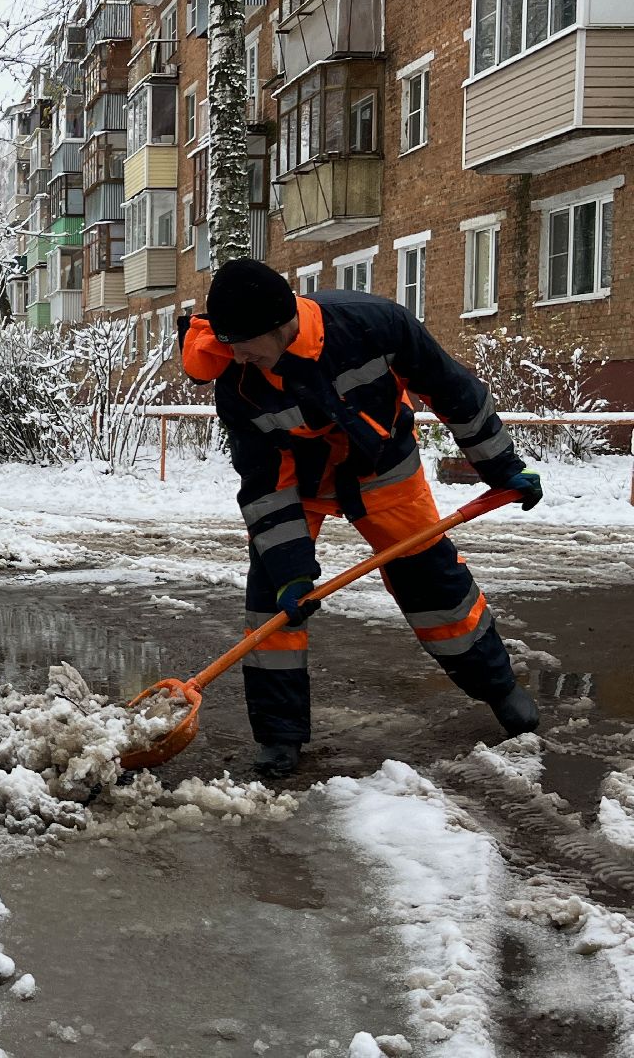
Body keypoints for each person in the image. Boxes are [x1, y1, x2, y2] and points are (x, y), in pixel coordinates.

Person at [181, 258, 542, 778]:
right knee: (272, 605)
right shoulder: (239, 382)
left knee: (433, 581)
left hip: (382, 466)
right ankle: (279, 737)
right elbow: (264, 482)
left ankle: (498, 687)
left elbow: (454, 391)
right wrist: (290, 572)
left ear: (280, 324)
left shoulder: (373, 325)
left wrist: (504, 467)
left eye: (243, 342)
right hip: (298, 486)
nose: (235, 355)